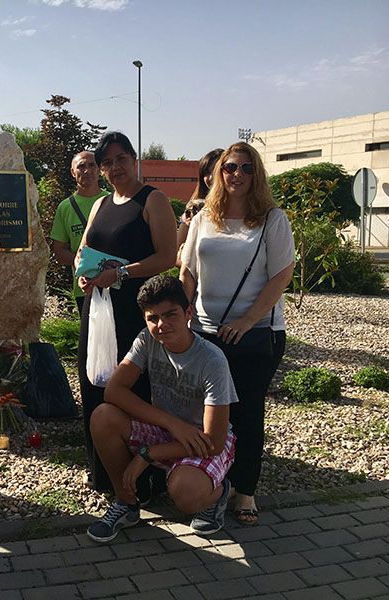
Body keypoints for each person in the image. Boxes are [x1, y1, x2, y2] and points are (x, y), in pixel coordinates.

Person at [180, 142, 294, 525]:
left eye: (247, 169)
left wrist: (246, 321)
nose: (237, 175)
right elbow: (188, 272)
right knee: (209, 416)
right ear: (218, 172)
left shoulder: (271, 219)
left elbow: (281, 275)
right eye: (230, 167)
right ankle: (214, 482)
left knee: (246, 413)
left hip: (256, 333)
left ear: (256, 175)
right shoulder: (202, 219)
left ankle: (245, 490)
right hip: (206, 332)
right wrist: (183, 315)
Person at [86, 275, 237, 542]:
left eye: (170, 315)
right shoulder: (147, 340)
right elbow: (113, 390)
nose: (161, 325)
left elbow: (214, 441)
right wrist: (171, 423)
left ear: (188, 313)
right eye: (152, 318)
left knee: (186, 494)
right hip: (169, 430)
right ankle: (126, 504)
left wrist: (147, 454)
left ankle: (219, 492)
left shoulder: (212, 360)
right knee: (102, 417)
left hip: (202, 439)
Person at [75, 131, 177, 494]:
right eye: (107, 163)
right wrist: (84, 275)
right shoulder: (101, 204)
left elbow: (168, 257)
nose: (115, 167)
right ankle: (105, 473)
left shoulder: (153, 200)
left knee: (133, 389)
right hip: (98, 308)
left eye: (121, 159)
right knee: (93, 382)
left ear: (134, 159)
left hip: (135, 311)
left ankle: (144, 476)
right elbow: (84, 249)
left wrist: (120, 273)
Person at [49, 150, 108, 314]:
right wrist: (85, 264)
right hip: (84, 287)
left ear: (100, 170)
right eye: (81, 166)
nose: (87, 170)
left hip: (114, 283)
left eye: (92, 165)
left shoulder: (113, 201)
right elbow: (59, 251)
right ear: (73, 172)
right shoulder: (65, 208)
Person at [176, 148, 223, 267]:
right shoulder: (192, 210)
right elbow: (175, 255)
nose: (211, 178)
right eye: (206, 173)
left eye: (216, 171)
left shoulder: (242, 211)